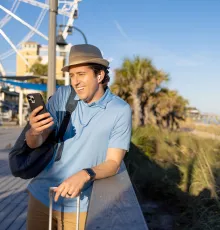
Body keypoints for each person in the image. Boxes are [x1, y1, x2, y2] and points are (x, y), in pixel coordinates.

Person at [25, 44, 132, 230]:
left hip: (78, 205)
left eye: (81, 74)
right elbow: (36, 143)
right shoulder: (64, 95)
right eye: (72, 75)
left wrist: (85, 174)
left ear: (99, 75)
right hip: (41, 195)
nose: (75, 82)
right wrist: (34, 132)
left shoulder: (120, 110)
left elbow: (114, 163)